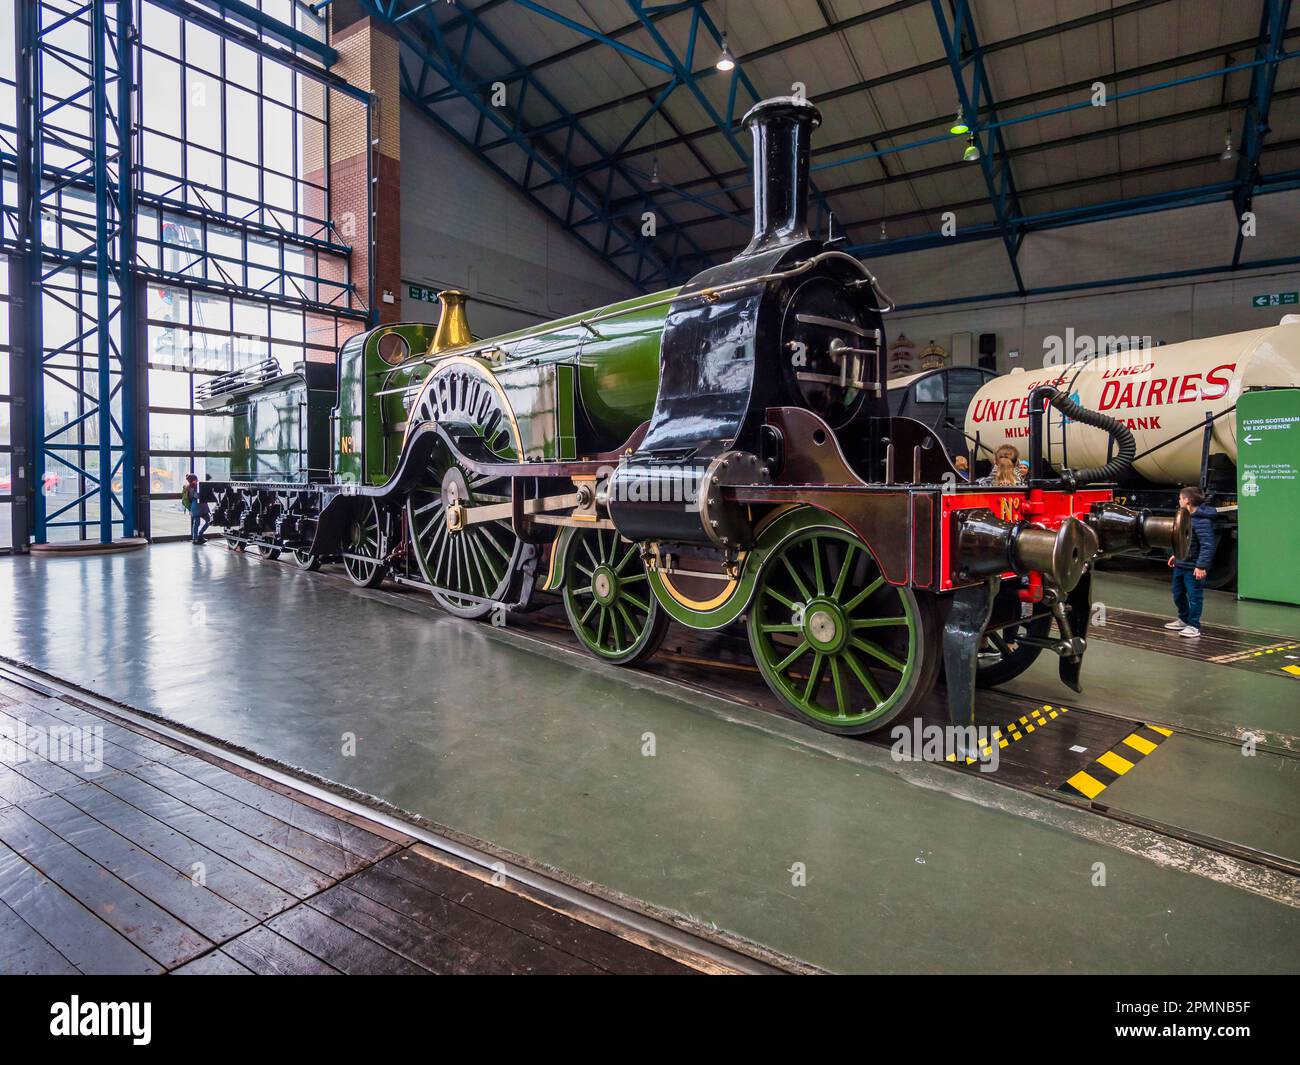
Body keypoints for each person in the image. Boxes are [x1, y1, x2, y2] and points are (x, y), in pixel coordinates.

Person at [1165, 486, 1217, 638]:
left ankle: (1194, 626)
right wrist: (1176, 555)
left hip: (1193, 567)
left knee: (1194, 597)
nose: (1179, 501)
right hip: (1181, 564)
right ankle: (1183, 619)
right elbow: (1185, 541)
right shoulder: (1184, 517)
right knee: (1177, 593)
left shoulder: (1202, 521)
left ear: (1187, 500)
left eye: (1180, 498)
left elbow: (1207, 546)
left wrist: (1201, 566)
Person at [185, 472, 212, 544]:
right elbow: (197, 496)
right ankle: (195, 538)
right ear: (192, 480)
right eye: (195, 479)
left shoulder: (196, 486)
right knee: (197, 523)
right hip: (197, 507)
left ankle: (199, 536)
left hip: (201, 507)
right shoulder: (191, 488)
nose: (197, 480)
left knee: (208, 521)